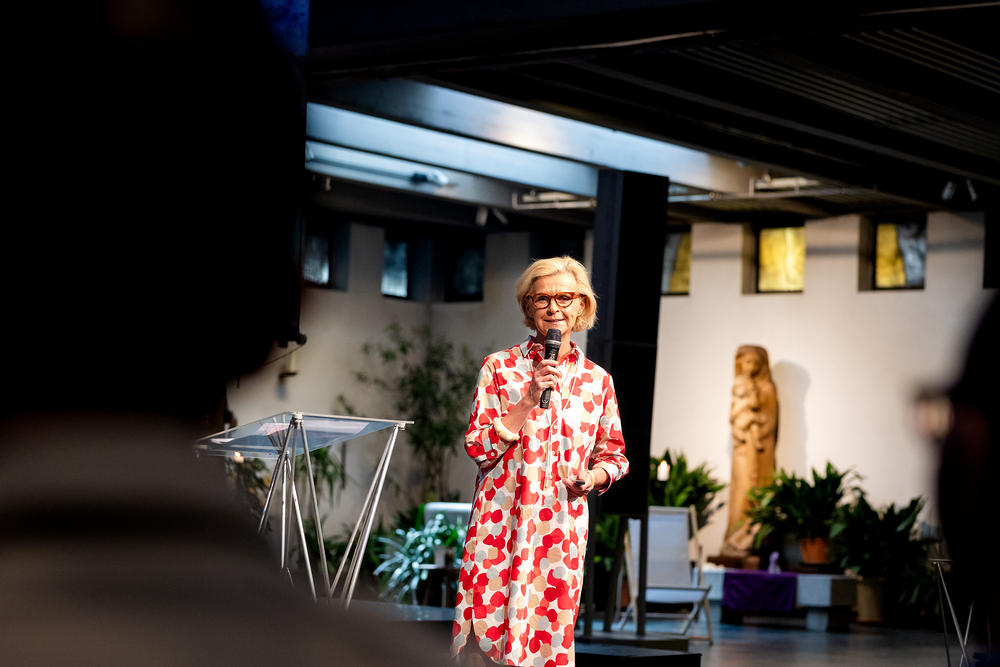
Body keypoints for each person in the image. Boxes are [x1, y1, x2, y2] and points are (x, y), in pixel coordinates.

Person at [451, 256, 629, 667]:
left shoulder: (598, 381)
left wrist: (592, 476)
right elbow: (478, 448)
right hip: (500, 528)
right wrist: (528, 400)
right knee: (484, 643)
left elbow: (615, 455)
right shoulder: (499, 368)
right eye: (542, 298)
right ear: (528, 307)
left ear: (581, 305)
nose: (553, 308)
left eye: (564, 298)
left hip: (559, 535)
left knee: (546, 646)